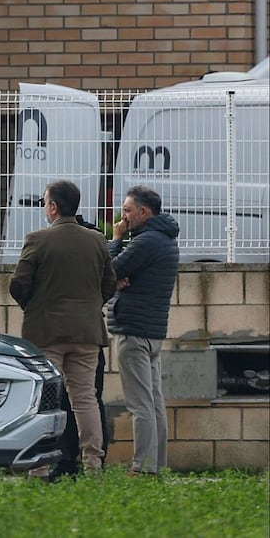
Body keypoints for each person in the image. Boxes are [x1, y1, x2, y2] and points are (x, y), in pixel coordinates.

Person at [8, 180, 117, 477]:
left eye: (45, 202)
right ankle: (94, 463)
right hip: (87, 333)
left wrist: (34, 307)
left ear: (53, 207)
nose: (44, 207)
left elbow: (18, 283)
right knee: (85, 398)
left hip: (46, 333)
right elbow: (109, 284)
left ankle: (40, 466)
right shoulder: (96, 240)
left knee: (45, 399)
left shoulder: (38, 240)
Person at [108, 185, 180, 476]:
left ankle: (142, 468)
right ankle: (157, 464)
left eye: (127, 211)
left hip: (133, 330)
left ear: (143, 212)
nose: (123, 217)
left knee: (140, 405)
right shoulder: (165, 240)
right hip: (152, 332)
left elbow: (107, 269)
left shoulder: (146, 241)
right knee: (154, 401)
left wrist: (115, 240)